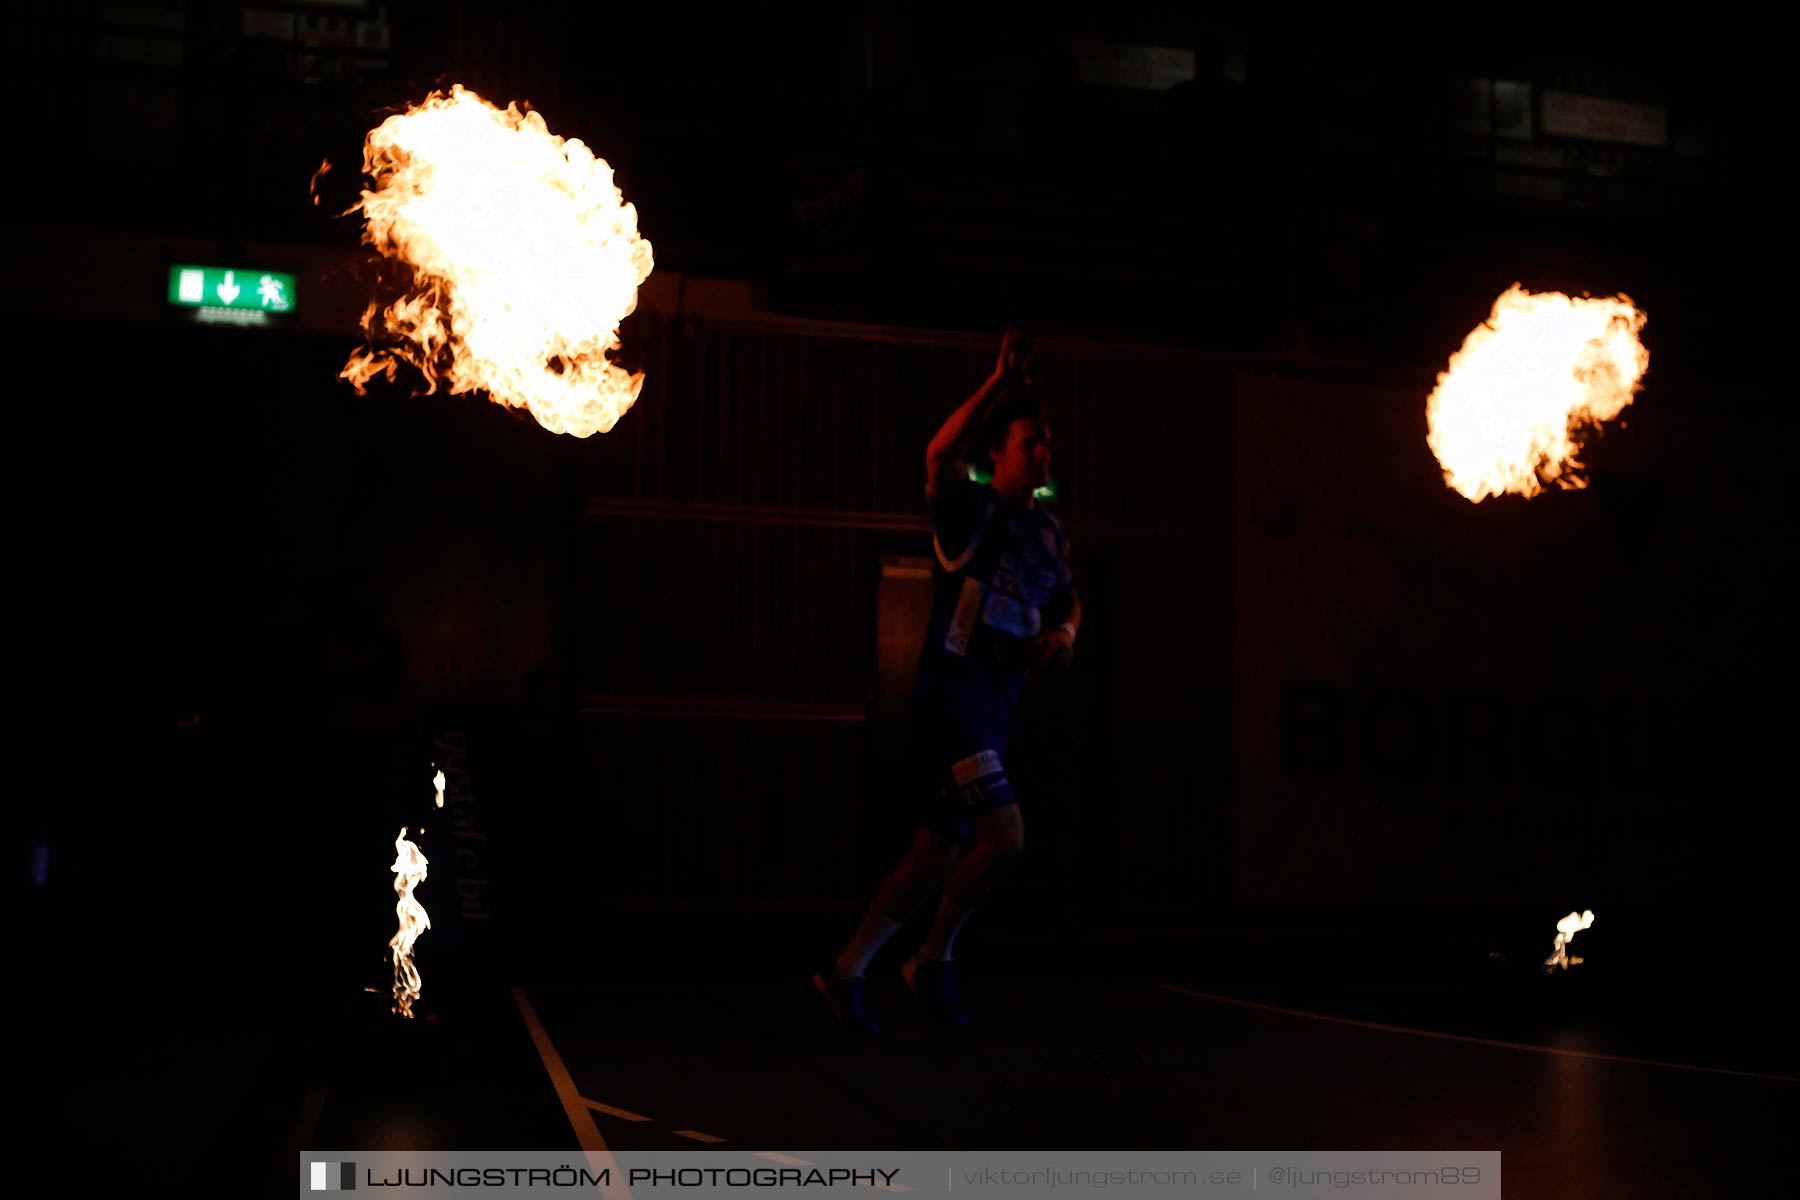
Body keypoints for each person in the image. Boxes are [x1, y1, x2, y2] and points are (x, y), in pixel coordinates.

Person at [813, 329, 1080, 1035]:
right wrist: (996, 382)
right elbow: (936, 453)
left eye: (1048, 444)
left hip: (998, 712)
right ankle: (932, 961)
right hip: (952, 706)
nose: (1044, 454)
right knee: (1008, 837)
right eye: (1032, 443)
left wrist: (1066, 632)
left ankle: (846, 970)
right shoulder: (972, 510)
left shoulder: (1050, 533)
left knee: (935, 851)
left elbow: (1066, 602)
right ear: (999, 453)